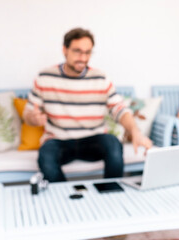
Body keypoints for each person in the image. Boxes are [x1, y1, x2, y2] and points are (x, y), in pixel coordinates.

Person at [23, 28, 152, 182]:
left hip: (94, 139)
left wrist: (134, 131)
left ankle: (111, 194)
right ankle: (67, 200)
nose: (83, 58)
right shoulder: (45, 77)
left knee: (113, 145)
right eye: (77, 51)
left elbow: (119, 109)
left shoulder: (100, 78)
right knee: (45, 157)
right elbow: (29, 113)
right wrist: (33, 118)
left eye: (88, 52)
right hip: (59, 140)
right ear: (65, 50)